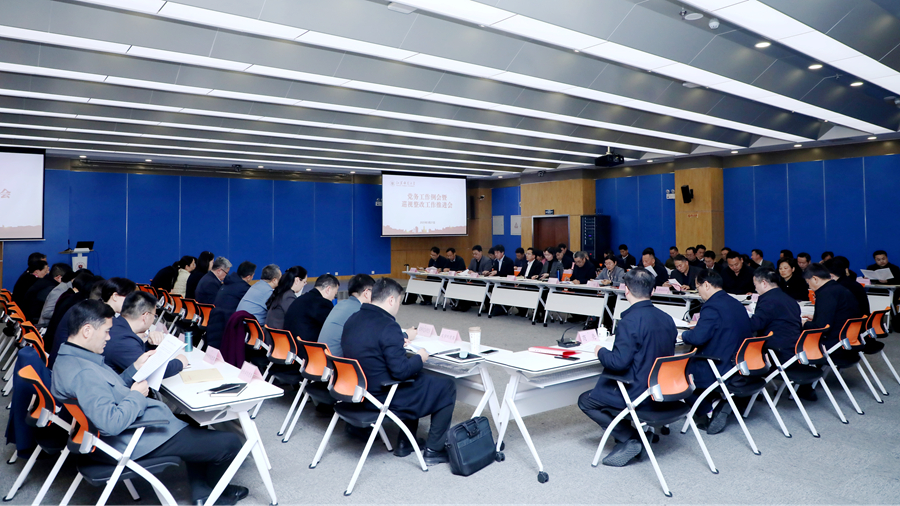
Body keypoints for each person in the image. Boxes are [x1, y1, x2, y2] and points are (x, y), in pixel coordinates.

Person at [51, 300, 248, 505]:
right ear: (87, 330)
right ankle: (214, 495)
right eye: (106, 331)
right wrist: (137, 395)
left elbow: (112, 389)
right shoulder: (85, 373)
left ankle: (203, 493)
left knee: (195, 425)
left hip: (130, 430)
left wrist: (135, 368)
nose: (109, 337)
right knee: (231, 443)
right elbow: (111, 423)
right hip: (134, 436)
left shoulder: (69, 360)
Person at [341, 278, 456, 465]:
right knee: (446, 386)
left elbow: (370, 347)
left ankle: (406, 442)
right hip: (381, 396)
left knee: (418, 378)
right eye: (399, 302)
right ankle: (434, 450)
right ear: (391, 300)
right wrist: (420, 357)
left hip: (356, 391)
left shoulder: (353, 318)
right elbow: (401, 372)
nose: (398, 307)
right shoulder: (388, 326)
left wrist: (396, 344)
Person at [578, 268, 676, 467]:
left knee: (586, 401)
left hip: (637, 391)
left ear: (626, 290)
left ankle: (632, 437)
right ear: (653, 291)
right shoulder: (667, 318)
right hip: (662, 390)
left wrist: (600, 351)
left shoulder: (629, 321)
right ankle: (638, 435)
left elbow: (618, 363)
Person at [681, 269, 752, 434]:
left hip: (718, 365)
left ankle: (709, 408)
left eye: (698, 287)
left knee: (679, 375)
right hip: (738, 363)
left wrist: (683, 335)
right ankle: (718, 401)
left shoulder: (711, 307)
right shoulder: (736, 303)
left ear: (706, 285)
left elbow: (698, 338)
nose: (698, 292)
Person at [104, 291, 187, 377]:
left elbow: (136, 356)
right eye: (154, 316)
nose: (153, 319)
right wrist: (180, 362)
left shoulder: (114, 324)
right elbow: (151, 370)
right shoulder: (124, 340)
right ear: (145, 316)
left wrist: (150, 345)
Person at [802, 263, 858, 350]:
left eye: (808, 282)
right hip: (848, 339)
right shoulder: (839, 288)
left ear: (815, 279)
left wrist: (804, 323)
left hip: (833, 343)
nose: (809, 286)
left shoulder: (825, 294)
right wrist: (816, 318)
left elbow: (821, 327)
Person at [750, 268, 802, 361]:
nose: (755, 289)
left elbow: (755, 325)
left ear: (764, 283)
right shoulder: (790, 299)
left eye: (755, 285)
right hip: (795, 348)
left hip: (776, 351)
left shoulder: (768, 301)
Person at [318, 274, 376, 357]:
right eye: (374, 292)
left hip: (321, 359)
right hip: (336, 361)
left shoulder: (340, 304)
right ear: (366, 293)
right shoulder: (359, 311)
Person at [205, 261, 256, 349]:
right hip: (226, 328)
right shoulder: (244, 289)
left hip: (215, 324)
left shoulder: (228, 283)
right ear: (248, 277)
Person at [284, 274, 338, 342]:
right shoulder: (323, 303)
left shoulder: (300, 299)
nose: (333, 298)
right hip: (306, 346)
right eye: (334, 294)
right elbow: (333, 329)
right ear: (328, 289)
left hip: (290, 344)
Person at [265, 266, 307, 330]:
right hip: (279, 335)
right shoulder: (288, 297)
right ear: (297, 280)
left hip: (272, 334)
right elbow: (298, 318)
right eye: (304, 282)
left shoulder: (281, 293)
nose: (304, 285)